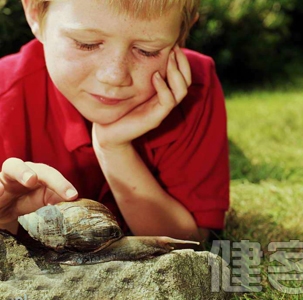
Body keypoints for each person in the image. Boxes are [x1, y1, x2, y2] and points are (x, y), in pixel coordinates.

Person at [0, 0, 229, 244]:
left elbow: (192, 242)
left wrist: (113, 149)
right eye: (86, 44)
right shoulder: (5, 96)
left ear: (181, 35)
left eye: (147, 50)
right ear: (35, 14)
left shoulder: (196, 88)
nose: (114, 76)